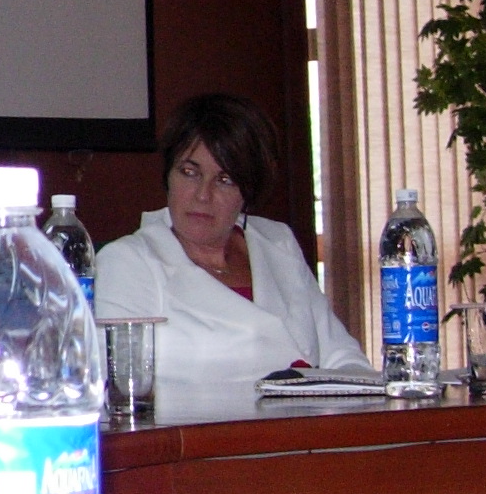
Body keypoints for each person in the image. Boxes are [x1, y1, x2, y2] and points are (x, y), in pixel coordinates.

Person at [94, 93, 373, 387]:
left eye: (224, 179)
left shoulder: (277, 243)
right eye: (189, 172)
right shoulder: (128, 261)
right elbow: (121, 388)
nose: (203, 194)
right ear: (168, 176)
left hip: (304, 427)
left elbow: (342, 358)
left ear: (248, 191)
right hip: (202, 431)